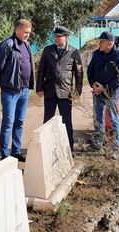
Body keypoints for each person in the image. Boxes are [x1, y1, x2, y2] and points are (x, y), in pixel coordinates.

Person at [0, 19, 34, 162]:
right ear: (18, 30)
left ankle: (16, 151)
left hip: (24, 91)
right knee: (8, 122)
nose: (28, 35)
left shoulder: (27, 45)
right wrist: (5, 84)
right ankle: (5, 154)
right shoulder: (8, 44)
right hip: (10, 92)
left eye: (29, 32)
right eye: (26, 32)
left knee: (20, 121)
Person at [36, 26, 83, 154]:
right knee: (47, 121)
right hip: (50, 91)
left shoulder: (73, 52)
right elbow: (41, 70)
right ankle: (46, 148)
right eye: (55, 36)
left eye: (59, 36)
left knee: (66, 121)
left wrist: (77, 91)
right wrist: (39, 87)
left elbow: (79, 73)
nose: (56, 38)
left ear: (66, 38)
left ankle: (69, 147)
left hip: (65, 92)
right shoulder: (47, 50)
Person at [86, 31, 119, 160]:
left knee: (114, 120)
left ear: (109, 43)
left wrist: (105, 88)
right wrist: (94, 85)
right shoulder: (97, 53)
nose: (99, 43)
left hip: (111, 94)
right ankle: (97, 143)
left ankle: (115, 148)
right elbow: (90, 70)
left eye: (101, 41)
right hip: (97, 92)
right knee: (98, 119)